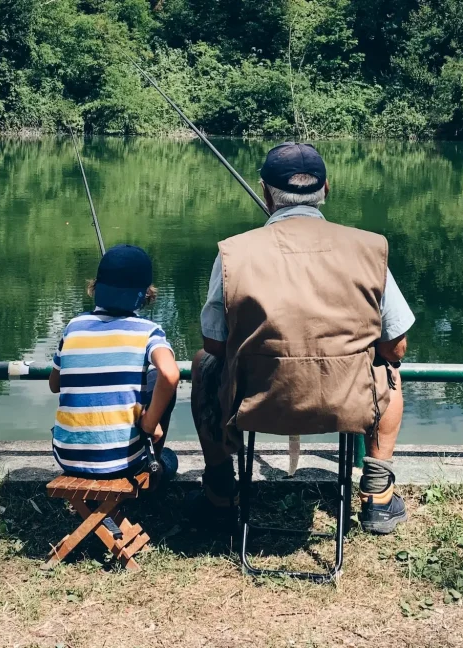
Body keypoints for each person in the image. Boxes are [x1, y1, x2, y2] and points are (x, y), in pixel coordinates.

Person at [190, 142, 415, 534]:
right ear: (327, 189)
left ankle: (221, 491)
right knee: (390, 372)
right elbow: (395, 346)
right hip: (348, 404)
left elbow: (214, 345)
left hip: (255, 404)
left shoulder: (233, 254)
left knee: (203, 365)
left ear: (265, 192)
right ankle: (378, 495)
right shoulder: (368, 248)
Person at [49, 244, 180, 482]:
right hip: (122, 464)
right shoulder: (149, 331)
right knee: (171, 459)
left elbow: (54, 385)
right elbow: (170, 374)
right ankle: (154, 465)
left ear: (96, 287)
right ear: (145, 294)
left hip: (67, 457)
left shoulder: (73, 327)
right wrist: (150, 424)